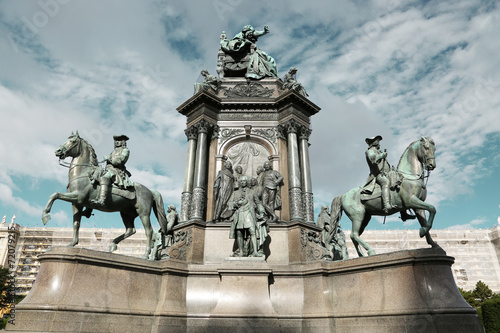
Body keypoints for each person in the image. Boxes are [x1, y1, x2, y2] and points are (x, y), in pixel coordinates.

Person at [90, 135, 133, 207]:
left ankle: (102, 200)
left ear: (123, 142)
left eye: (118, 140)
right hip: (108, 169)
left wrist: (109, 158)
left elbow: (121, 160)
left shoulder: (125, 150)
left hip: (117, 171)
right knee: (94, 178)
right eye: (115, 141)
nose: (116, 142)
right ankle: (89, 208)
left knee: (104, 178)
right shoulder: (113, 151)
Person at [228, 176, 263, 257]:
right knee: (239, 233)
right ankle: (240, 252)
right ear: (240, 182)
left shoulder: (252, 192)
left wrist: (262, 211)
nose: (243, 182)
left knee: (252, 231)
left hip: (249, 213)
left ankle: (255, 251)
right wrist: (237, 203)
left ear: (247, 182)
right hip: (239, 213)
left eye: (245, 181)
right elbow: (229, 203)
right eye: (242, 181)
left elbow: (258, 203)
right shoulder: (235, 193)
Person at [363, 135, 395, 213]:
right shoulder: (370, 151)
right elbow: (373, 160)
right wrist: (382, 155)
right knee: (385, 182)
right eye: (378, 142)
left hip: (386, 173)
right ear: (375, 143)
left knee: (398, 181)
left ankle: (403, 213)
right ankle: (386, 205)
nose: (379, 144)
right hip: (377, 175)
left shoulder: (378, 151)